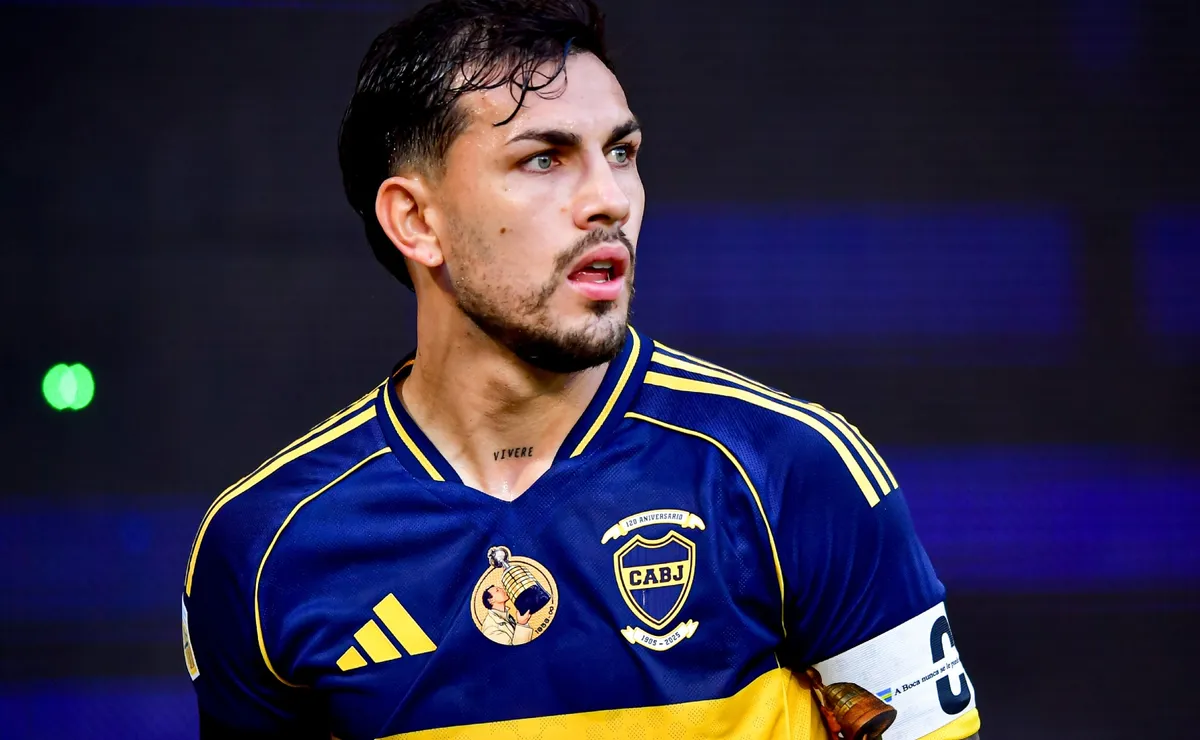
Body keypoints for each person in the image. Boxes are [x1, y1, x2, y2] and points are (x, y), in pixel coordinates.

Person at [182, 0, 982, 738]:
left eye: (621, 153)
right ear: (417, 220)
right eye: (544, 159)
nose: (610, 200)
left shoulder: (791, 469)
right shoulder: (267, 546)